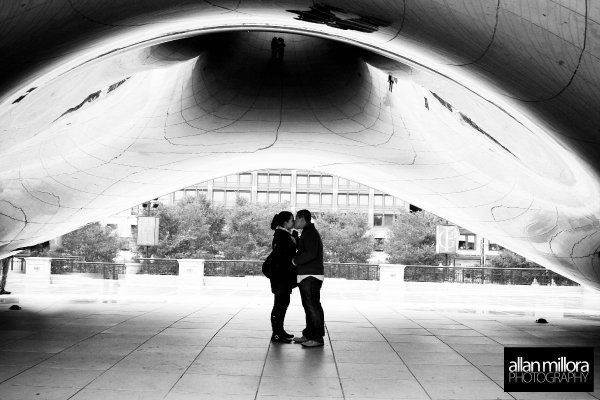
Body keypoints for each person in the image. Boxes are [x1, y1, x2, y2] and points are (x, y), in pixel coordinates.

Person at [291, 209, 325, 347]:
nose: (294, 222)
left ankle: (317, 338)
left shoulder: (310, 233)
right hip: (308, 275)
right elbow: (306, 248)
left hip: (311, 275)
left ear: (302, 219)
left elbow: (310, 253)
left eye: (296, 219)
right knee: (309, 306)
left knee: (313, 307)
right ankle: (309, 335)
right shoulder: (307, 232)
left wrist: (295, 260)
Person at [268, 211, 298, 343]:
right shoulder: (282, 235)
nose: (294, 222)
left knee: (283, 303)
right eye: (292, 220)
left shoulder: (284, 234)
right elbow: (284, 256)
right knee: (280, 304)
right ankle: (276, 333)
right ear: (285, 222)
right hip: (280, 276)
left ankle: (279, 331)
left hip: (281, 277)